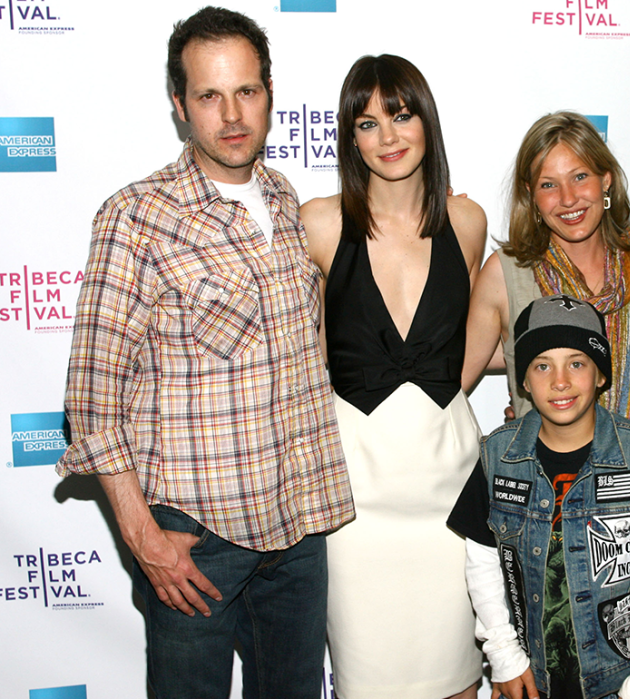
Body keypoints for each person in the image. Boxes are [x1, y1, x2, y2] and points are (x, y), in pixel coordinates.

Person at [55, 7, 353, 699]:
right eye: (209, 95)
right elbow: (91, 402)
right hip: (194, 538)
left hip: (298, 527)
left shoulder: (284, 199)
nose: (232, 114)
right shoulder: (137, 216)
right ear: (178, 104)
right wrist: (142, 534)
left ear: (270, 91)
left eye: (246, 90)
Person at [300, 54, 487, 699]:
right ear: (349, 138)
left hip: (451, 494)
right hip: (358, 505)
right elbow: (309, 356)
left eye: (402, 116)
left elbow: (471, 340)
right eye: (368, 123)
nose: (388, 137)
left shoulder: (468, 222)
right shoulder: (320, 224)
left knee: (461, 680)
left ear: (427, 123)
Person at [449, 294, 630, 699]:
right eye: (542, 365)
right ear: (525, 381)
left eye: (577, 363)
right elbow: (482, 562)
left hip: (620, 683)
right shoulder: (497, 456)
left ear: (601, 375)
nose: (560, 381)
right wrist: (505, 657)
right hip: (531, 680)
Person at [462, 111, 630, 435]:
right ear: (531, 195)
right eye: (548, 184)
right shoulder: (506, 274)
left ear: (605, 179)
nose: (567, 199)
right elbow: (453, 382)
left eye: (579, 177)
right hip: (540, 478)